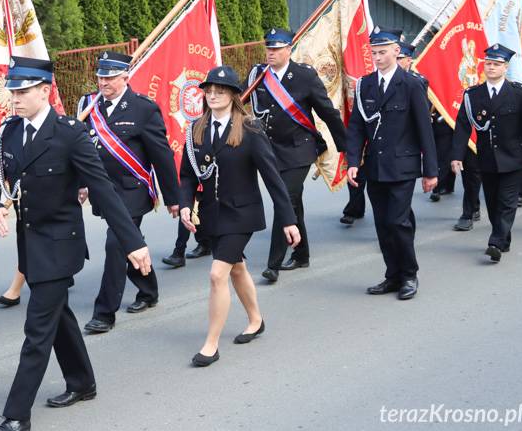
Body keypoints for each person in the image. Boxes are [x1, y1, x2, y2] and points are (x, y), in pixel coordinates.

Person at [0, 56, 151, 431]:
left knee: (37, 327)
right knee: (58, 317)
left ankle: (15, 415)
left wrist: (132, 242)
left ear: (45, 91)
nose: (15, 98)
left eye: (23, 91)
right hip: (30, 244)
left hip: (60, 246)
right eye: (13, 91)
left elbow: (103, 190)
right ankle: (82, 382)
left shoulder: (70, 133)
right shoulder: (9, 131)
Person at [179, 65, 300, 367]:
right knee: (236, 270)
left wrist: (288, 219)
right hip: (212, 214)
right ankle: (256, 320)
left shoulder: (249, 127)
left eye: (220, 90)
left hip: (241, 214)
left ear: (234, 94)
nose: (213, 94)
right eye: (208, 90)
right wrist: (183, 204)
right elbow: (185, 175)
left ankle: (211, 344)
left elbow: (272, 177)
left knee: (217, 274)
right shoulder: (196, 128)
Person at [76, 51, 178, 334]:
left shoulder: (143, 108)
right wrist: (80, 183)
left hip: (132, 191)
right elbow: (79, 151)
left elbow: (162, 155)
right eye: (100, 76)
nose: (103, 82)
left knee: (115, 244)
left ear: (126, 77)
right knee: (129, 242)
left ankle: (104, 312)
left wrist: (173, 198)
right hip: (104, 192)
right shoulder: (87, 105)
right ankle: (148, 289)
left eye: (110, 77)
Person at [245, 29, 346, 283]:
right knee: (294, 202)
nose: (271, 53)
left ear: (289, 50)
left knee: (284, 200)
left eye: (277, 49)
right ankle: (301, 254)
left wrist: (348, 147)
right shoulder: (257, 75)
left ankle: (273, 264)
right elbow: (239, 99)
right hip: (270, 150)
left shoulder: (304, 76)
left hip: (299, 149)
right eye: (269, 48)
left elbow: (328, 112)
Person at [346, 28, 438, 301]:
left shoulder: (411, 84)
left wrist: (430, 170)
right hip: (374, 166)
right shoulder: (365, 85)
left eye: (383, 52)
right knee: (382, 224)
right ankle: (393, 275)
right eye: (374, 52)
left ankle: (409, 274)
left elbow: (424, 129)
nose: (377, 57)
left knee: (398, 221)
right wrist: (353, 161)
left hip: (403, 166)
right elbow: (356, 127)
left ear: (397, 51)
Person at [450, 44, 522, 263]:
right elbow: (463, 126)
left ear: (505, 67)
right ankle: (503, 237)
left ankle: (495, 241)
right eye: (488, 64)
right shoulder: (473, 95)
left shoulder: (519, 93)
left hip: (514, 158)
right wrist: (456, 156)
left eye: (496, 64)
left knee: (507, 202)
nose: (491, 68)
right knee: (494, 202)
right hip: (486, 159)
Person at [396, 41, 454, 202]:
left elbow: (427, 101)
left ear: (408, 60)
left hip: (433, 121)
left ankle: (439, 185)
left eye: (400, 58)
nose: (397, 61)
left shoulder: (418, 79)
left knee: (440, 154)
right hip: (406, 128)